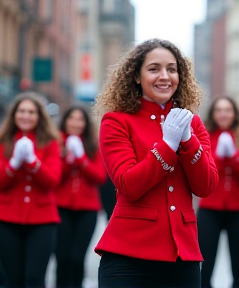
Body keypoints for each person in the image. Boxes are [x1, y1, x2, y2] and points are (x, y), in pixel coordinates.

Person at [94, 38, 219, 288]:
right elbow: (129, 184)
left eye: (172, 69)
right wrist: (167, 144)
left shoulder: (192, 123)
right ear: (137, 77)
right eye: (154, 69)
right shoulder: (116, 121)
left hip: (182, 255)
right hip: (127, 256)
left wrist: (187, 142)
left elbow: (205, 186)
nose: (165, 76)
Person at [0, 92, 62, 288]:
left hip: (42, 219)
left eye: (31, 112)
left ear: (39, 116)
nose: (26, 116)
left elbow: (52, 181)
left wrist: (33, 164)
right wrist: (14, 164)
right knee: (12, 280)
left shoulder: (51, 142)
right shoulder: (3, 141)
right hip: (7, 218)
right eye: (22, 111)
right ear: (14, 114)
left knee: (34, 279)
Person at [197, 96, 239, 288]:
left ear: (234, 114)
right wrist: (218, 157)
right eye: (219, 110)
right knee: (205, 262)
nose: (223, 114)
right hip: (210, 207)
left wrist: (234, 156)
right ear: (213, 114)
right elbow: (204, 173)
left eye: (228, 110)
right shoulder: (206, 136)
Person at [54, 105, 107, 288]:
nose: (76, 123)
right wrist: (68, 159)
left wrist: (81, 158)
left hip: (87, 209)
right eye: (72, 118)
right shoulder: (56, 143)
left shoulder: (92, 145)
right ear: (65, 121)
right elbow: (55, 177)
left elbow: (100, 177)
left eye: (80, 119)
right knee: (62, 257)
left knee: (77, 258)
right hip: (61, 207)